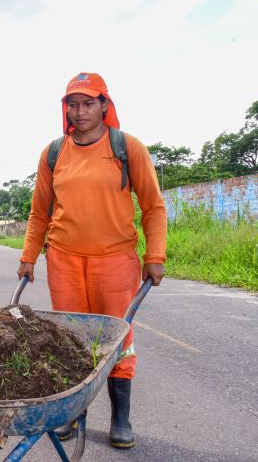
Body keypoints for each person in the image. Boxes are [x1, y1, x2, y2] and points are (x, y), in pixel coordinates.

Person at [17, 72, 166, 450]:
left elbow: (153, 207)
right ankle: (69, 414)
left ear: (104, 105)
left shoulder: (126, 147)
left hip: (115, 260)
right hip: (65, 260)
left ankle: (120, 418)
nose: (80, 111)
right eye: (72, 104)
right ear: (65, 108)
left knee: (118, 338)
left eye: (88, 103)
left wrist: (155, 255)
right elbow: (39, 213)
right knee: (68, 338)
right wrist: (29, 256)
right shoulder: (54, 153)